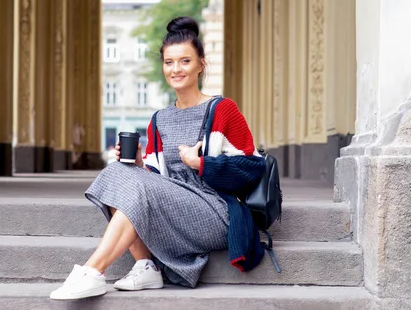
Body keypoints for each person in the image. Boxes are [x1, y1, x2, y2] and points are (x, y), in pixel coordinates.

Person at [50, 16, 266, 300]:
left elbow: (252, 167)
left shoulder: (223, 110)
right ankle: (146, 265)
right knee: (118, 171)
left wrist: (202, 164)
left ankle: (93, 271)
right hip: (174, 208)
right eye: (169, 62)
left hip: (216, 211)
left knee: (131, 182)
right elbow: (157, 184)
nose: (176, 69)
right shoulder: (159, 119)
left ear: (201, 64)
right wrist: (140, 165)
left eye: (185, 61)